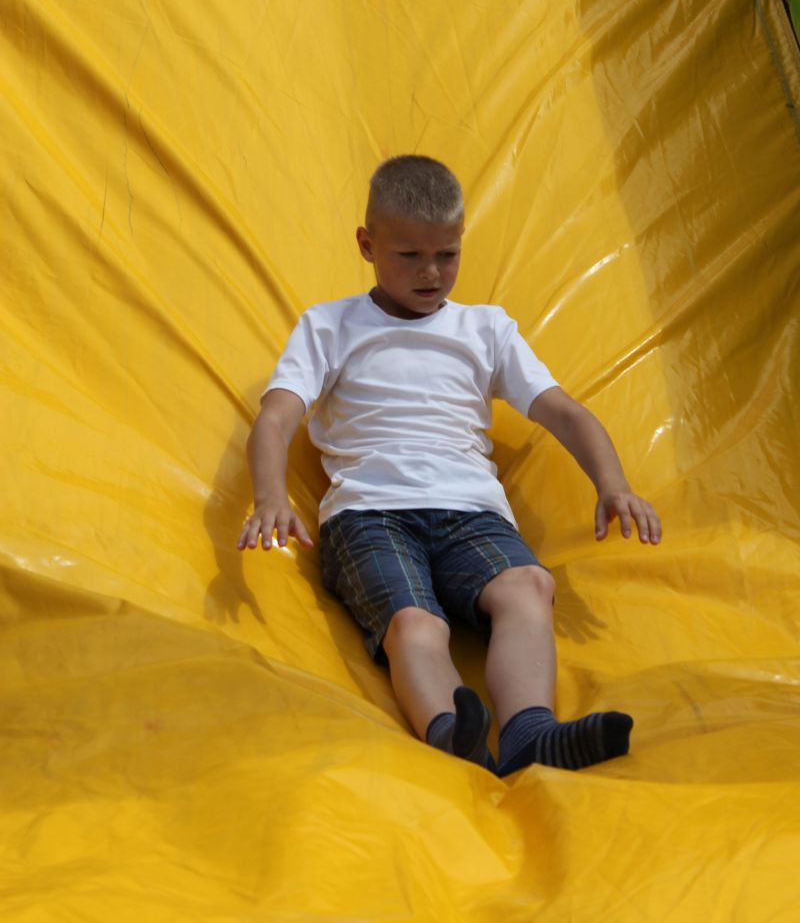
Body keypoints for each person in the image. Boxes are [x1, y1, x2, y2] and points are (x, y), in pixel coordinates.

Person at [237, 155, 661, 776]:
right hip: (370, 513)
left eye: (448, 254)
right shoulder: (329, 326)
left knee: (528, 587)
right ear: (367, 245)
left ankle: (530, 733)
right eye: (409, 255)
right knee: (414, 624)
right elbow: (275, 418)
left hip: (471, 510)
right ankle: (449, 735)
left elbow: (565, 413)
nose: (431, 272)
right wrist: (270, 497)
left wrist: (614, 484)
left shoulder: (485, 329)